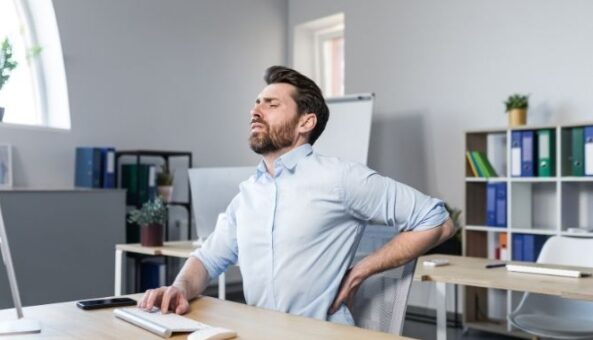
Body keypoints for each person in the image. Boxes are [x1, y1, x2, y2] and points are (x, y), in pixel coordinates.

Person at [138, 66, 456, 325]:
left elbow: (438, 221)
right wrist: (179, 288)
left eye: (271, 104)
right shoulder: (248, 194)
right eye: (256, 103)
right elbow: (207, 259)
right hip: (262, 332)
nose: (255, 110)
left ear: (306, 121)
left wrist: (362, 269)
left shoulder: (340, 178)